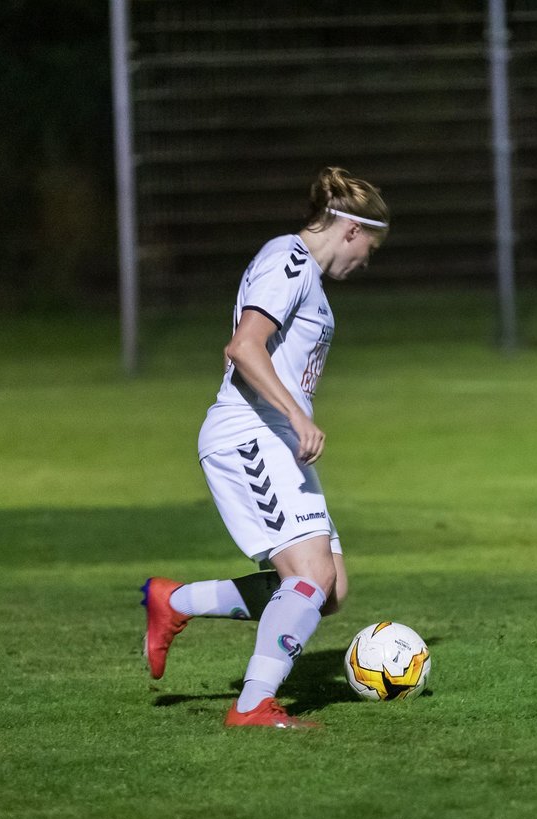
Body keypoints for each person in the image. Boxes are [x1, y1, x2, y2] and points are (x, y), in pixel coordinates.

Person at [141, 166, 389, 727]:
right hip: (250, 433)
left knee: (328, 590)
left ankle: (174, 602)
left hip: (272, 434)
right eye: (371, 246)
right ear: (351, 229)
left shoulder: (304, 275)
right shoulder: (289, 259)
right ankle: (253, 703)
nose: (367, 261)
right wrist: (296, 414)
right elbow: (243, 347)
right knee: (309, 576)